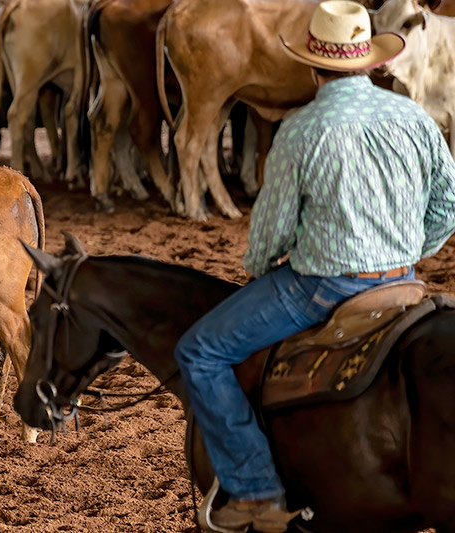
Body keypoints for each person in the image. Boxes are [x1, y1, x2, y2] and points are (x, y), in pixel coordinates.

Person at [172, 2, 455, 531]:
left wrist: (259, 267)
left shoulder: (301, 130)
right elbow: (449, 206)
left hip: (322, 287)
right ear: (370, 61)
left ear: (312, 65)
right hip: (403, 283)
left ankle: (257, 493)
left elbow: (269, 237)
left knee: (200, 351)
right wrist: (410, 248)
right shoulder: (414, 116)